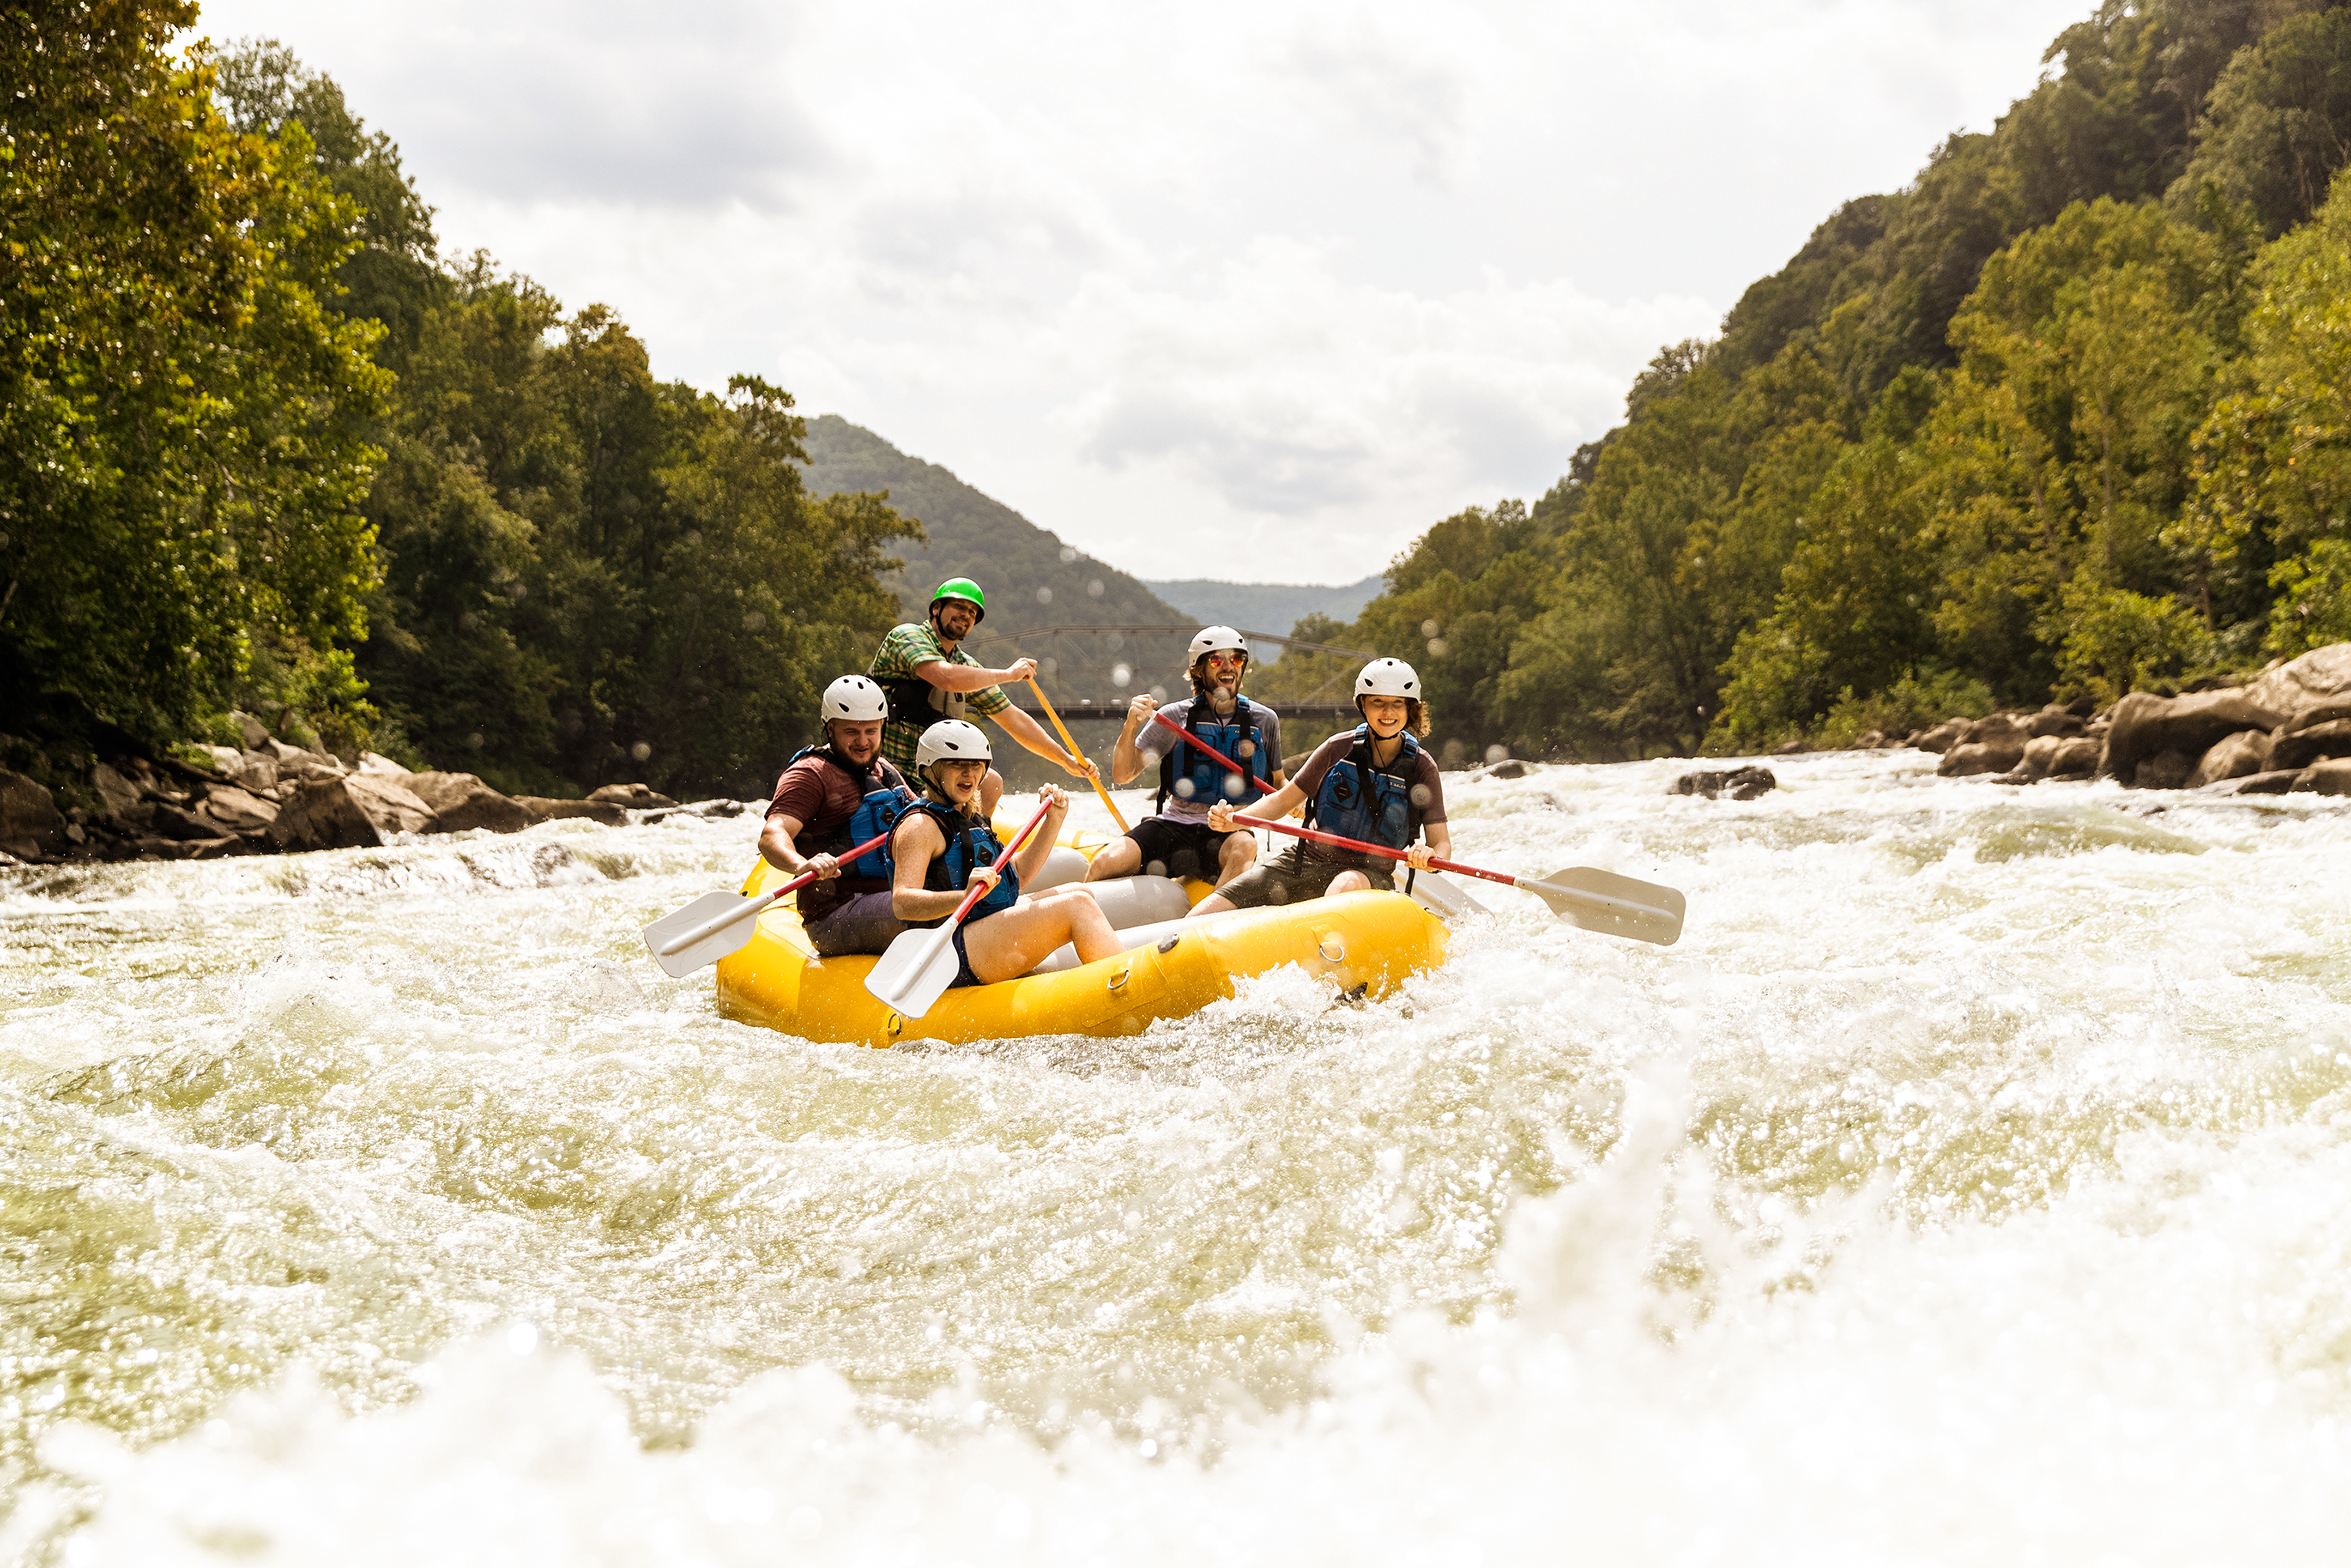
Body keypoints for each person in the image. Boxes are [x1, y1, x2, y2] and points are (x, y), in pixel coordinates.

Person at [1192, 657, 1451, 916]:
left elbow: (1442, 846)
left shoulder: (1422, 767)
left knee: (1345, 884)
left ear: (1410, 709)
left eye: (1398, 704)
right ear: (1363, 704)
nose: (1388, 713)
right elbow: (1282, 801)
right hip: (1305, 861)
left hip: (1369, 877)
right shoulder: (1336, 749)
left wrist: (1429, 856)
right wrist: (1235, 820)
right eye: (1378, 702)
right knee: (1209, 910)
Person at [886, 720, 1123, 988]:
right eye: (956, 764)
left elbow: (1018, 876)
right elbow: (902, 902)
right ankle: (1123, 984)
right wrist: (963, 897)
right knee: (1077, 907)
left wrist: (1054, 820)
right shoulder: (920, 826)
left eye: (976, 765)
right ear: (931, 769)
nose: (968, 774)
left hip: (979, 930)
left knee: (1081, 893)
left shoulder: (968, 815)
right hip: (946, 950)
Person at [868, 577, 1098, 819]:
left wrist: (1066, 760)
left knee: (992, 783)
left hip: (932, 780)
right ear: (936, 609)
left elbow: (1013, 719)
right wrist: (1008, 675)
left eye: (972, 612)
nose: (965, 615)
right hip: (886, 773)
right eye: (959, 607)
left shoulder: (966, 666)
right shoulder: (906, 636)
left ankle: (972, 845)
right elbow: (944, 677)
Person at [1085, 626, 1285, 889]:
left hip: (1228, 831)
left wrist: (1293, 803)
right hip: (1174, 827)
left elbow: (1279, 785)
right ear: (1199, 670)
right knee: (1104, 863)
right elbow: (1123, 775)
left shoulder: (1264, 720)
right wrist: (1131, 724)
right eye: (1217, 660)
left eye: (1236, 659)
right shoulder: (1173, 718)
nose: (1228, 667)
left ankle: (1210, 919)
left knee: (1246, 845)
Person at [758, 675, 917, 956]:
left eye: (871, 731)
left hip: (893, 895)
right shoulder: (810, 775)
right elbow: (772, 835)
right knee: (930, 910)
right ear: (830, 729)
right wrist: (802, 865)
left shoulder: (885, 771)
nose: (863, 741)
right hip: (836, 914)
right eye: (851, 732)